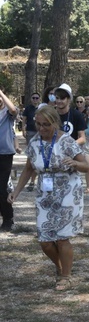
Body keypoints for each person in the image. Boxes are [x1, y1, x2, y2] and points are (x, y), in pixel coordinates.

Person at [7, 106, 89, 290]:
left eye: (46, 124)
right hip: (45, 195)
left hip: (68, 193)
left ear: (54, 123)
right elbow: (29, 169)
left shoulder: (66, 141)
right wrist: (17, 191)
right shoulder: (35, 142)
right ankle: (61, 268)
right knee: (45, 241)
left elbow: (87, 166)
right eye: (38, 124)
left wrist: (76, 163)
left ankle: (66, 277)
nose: (41, 128)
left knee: (62, 238)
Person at [0, 89, 18, 232]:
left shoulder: (7, 113)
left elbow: (13, 109)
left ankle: (8, 218)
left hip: (5, 154)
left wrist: (0, 92)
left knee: (2, 189)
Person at [22, 92, 40, 191]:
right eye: (33, 98)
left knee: (38, 157)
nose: (35, 99)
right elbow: (24, 120)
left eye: (37, 98)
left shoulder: (41, 108)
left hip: (40, 133)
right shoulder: (28, 108)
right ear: (31, 99)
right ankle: (30, 181)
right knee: (31, 156)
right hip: (30, 132)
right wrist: (23, 130)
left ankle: (33, 181)